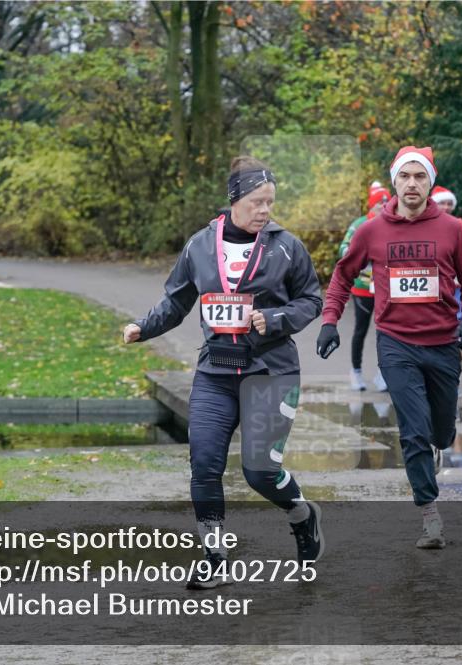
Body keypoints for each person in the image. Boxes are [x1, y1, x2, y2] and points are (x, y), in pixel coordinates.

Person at [123, 156, 324, 588]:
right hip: (215, 371)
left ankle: (302, 514)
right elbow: (176, 301)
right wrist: (144, 326)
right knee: (205, 464)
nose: (265, 210)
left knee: (259, 472)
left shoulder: (287, 245)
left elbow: (311, 301)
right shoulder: (199, 245)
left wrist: (275, 319)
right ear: (234, 200)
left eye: (270, 202)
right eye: (257, 202)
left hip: (270, 371)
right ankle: (214, 555)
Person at [316, 145, 462, 549]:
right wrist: (329, 322)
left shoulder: (452, 228)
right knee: (412, 431)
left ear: (430, 182)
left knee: (441, 432)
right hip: (395, 343)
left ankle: (440, 446)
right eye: (405, 176)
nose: (412, 183)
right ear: (395, 182)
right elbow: (342, 277)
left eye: (419, 176)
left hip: (443, 342)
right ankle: (430, 517)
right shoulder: (372, 231)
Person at [339, 181, 391, 391]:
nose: (384, 206)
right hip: (362, 287)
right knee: (361, 330)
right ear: (372, 205)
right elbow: (343, 249)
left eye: (387, 202)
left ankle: (382, 374)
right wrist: (362, 258)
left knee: (385, 332)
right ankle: (356, 372)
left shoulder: (392, 222)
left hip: (386, 288)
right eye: (381, 202)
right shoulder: (359, 223)